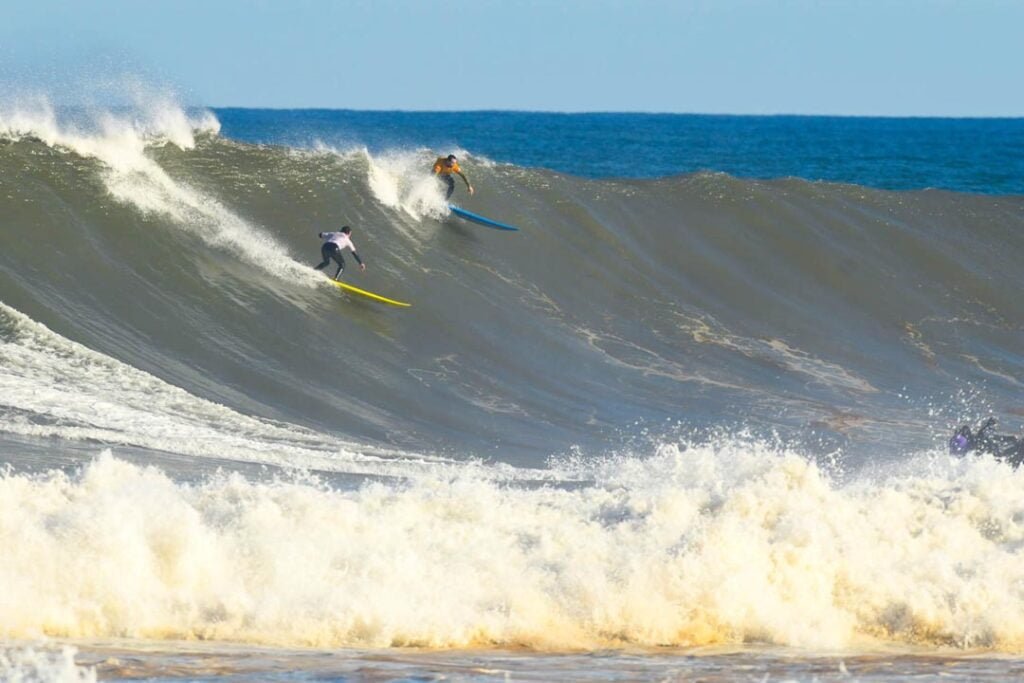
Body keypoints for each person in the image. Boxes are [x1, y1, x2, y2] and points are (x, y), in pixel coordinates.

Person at [948, 417, 1024, 467]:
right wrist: (1010, 438)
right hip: (996, 457)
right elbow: (993, 438)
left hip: (992, 459)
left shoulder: (962, 444)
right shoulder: (977, 440)